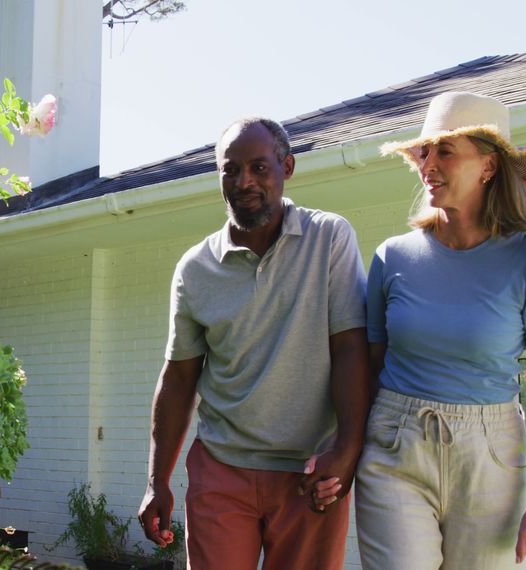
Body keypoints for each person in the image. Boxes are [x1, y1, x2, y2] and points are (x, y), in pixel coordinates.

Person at [322, 91, 526, 568]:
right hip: (397, 447)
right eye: (423, 152)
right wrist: (342, 447)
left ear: (489, 166)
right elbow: (370, 368)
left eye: (445, 151)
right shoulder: (392, 258)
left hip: (491, 460)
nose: (427, 164)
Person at [137, 117, 370, 570]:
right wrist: (156, 480)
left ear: (287, 167)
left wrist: (346, 452)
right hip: (222, 470)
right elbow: (179, 377)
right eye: (231, 170)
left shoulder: (329, 238)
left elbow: (351, 350)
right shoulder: (195, 269)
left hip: (310, 472)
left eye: (259, 168)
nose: (244, 182)